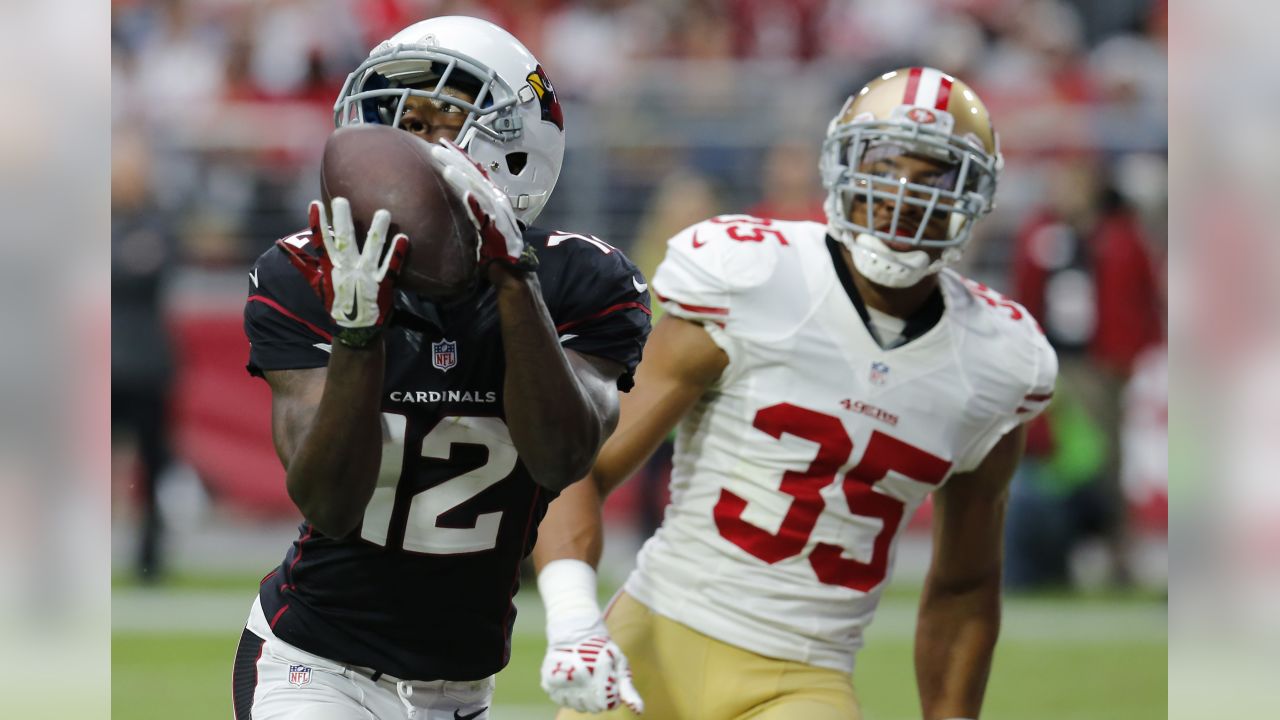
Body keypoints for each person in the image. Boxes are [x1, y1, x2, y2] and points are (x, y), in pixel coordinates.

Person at [533, 67, 1058, 720]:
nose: (903, 197)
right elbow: (575, 464)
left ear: (973, 198)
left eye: (934, 178)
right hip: (654, 642)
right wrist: (576, 620)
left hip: (804, 682)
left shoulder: (997, 361)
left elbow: (964, 583)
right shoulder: (756, 278)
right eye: (887, 167)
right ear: (843, 166)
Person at [231, 16, 651, 720]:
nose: (410, 147)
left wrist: (514, 277)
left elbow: (561, 456)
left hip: (461, 690)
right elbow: (328, 503)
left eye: (439, 120)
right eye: (396, 123)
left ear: (519, 147)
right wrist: (359, 334)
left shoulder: (585, 278)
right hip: (315, 666)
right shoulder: (305, 273)